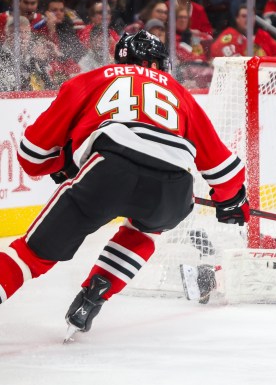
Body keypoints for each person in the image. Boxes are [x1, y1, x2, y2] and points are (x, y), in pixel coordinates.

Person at [0, 30, 249, 338]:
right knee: (147, 228)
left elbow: (31, 155)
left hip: (109, 169)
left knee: (33, 254)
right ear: (160, 64)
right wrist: (232, 200)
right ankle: (96, 293)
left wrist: (63, 163)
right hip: (175, 187)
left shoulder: (93, 78)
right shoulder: (179, 93)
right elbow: (222, 167)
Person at [210, 4, 276, 58]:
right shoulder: (229, 35)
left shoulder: (263, 35)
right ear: (237, 19)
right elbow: (216, 50)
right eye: (244, 16)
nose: (248, 19)